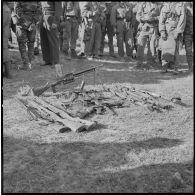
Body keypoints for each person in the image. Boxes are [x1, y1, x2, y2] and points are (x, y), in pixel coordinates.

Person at [159, 2, 186, 74]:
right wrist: (162, 31)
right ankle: (164, 67)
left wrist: (178, 31)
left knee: (176, 50)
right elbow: (161, 20)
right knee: (165, 49)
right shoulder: (165, 6)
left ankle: (176, 69)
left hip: (176, 30)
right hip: (166, 31)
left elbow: (182, 20)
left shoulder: (181, 6)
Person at [14, 1, 42, 70]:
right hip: (32, 23)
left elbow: (17, 9)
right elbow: (39, 10)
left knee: (22, 44)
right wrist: (33, 22)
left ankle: (26, 64)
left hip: (22, 23)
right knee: (31, 43)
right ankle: (30, 63)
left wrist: (25, 22)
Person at [40, 2, 63, 78]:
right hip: (43, 17)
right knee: (44, 40)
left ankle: (55, 61)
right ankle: (47, 60)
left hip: (51, 17)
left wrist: (55, 21)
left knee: (53, 41)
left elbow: (59, 8)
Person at [136, 2, 161, 68]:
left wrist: (154, 18)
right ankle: (139, 63)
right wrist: (142, 19)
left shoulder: (159, 5)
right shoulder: (143, 5)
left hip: (154, 27)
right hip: (144, 27)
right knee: (140, 44)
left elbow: (162, 16)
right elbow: (137, 16)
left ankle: (150, 62)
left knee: (153, 46)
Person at [3, 2, 12, 78]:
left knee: (4, 51)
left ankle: (8, 73)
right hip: (4, 32)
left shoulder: (4, 9)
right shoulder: (5, 8)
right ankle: (7, 73)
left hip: (3, 33)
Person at [183, 2, 193, 72]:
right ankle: (190, 68)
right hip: (187, 34)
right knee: (188, 51)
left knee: (189, 52)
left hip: (188, 33)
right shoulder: (183, 9)